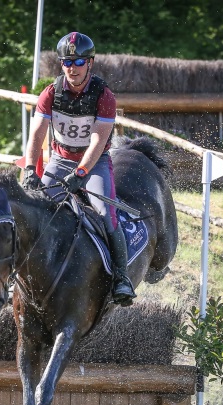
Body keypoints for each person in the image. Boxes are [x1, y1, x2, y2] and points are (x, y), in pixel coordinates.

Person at [22, 31, 135, 306]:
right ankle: (23, 272)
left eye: (79, 62)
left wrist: (81, 173)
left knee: (104, 212)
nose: (72, 68)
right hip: (59, 161)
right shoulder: (50, 93)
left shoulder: (104, 96)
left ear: (90, 63)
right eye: (67, 62)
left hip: (94, 165)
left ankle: (121, 277)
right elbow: (36, 134)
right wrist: (29, 169)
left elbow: (98, 140)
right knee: (34, 208)